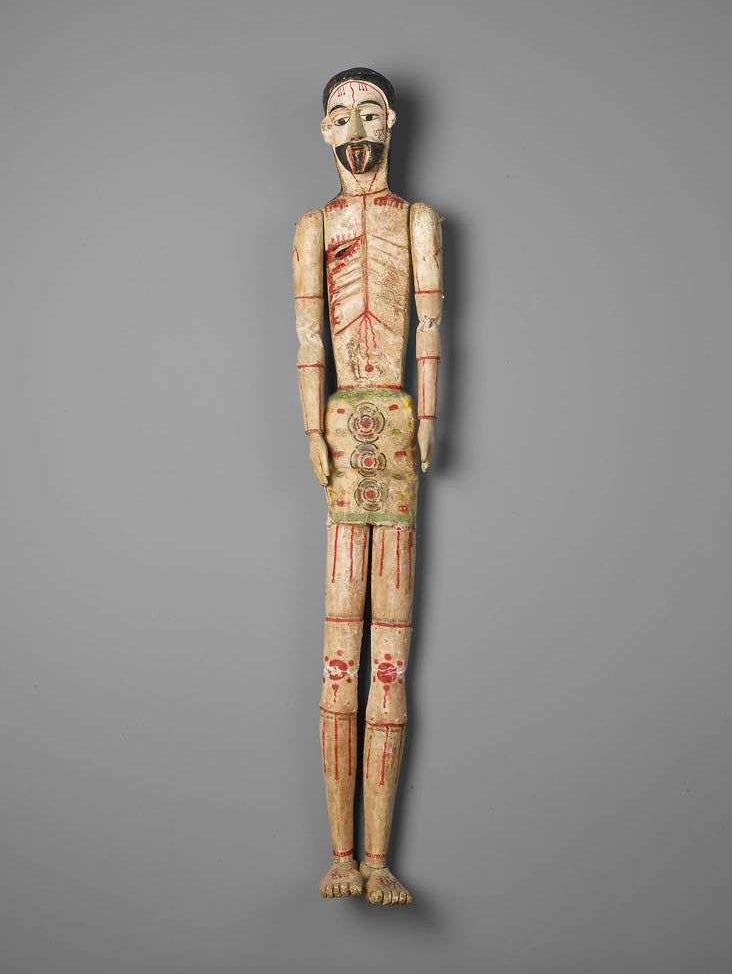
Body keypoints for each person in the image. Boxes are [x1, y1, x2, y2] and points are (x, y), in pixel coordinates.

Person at [293, 68, 442, 905]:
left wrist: (429, 417)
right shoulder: (313, 227)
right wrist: (313, 429)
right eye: (340, 117)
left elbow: (431, 322)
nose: (356, 131)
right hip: (347, 432)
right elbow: (310, 334)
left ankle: (378, 861)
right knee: (337, 658)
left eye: (369, 113)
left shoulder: (417, 221)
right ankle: (340, 856)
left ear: (392, 122)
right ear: (325, 131)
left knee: (389, 660)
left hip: (396, 428)